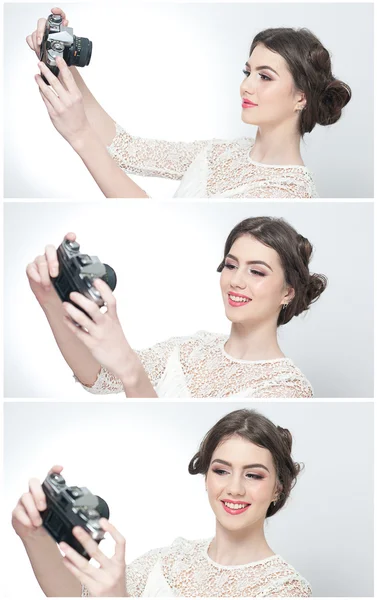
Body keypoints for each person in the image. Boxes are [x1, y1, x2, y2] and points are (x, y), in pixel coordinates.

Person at [26, 8, 351, 198]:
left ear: (301, 97)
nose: (245, 86)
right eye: (247, 72)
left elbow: (153, 221)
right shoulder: (224, 152)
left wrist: (80, 135)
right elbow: (128, 149)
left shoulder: (291, 192)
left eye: (264, 77)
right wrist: (63, 60)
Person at [11, 408, 312, 597]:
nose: (234, 488)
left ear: (277, 489)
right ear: (206, 477)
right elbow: (78, 596)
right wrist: (34, 536)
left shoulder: (283, 589)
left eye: (254, 475)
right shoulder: (171, 559)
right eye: (221, 471)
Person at [26, 216, 327, 398]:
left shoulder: (287, 387)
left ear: (288, 292)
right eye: (231, 265)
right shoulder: (188, 349)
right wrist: (50, 302)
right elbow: (98, 378)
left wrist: (132, 371)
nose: (236, 281)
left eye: (257, 271)